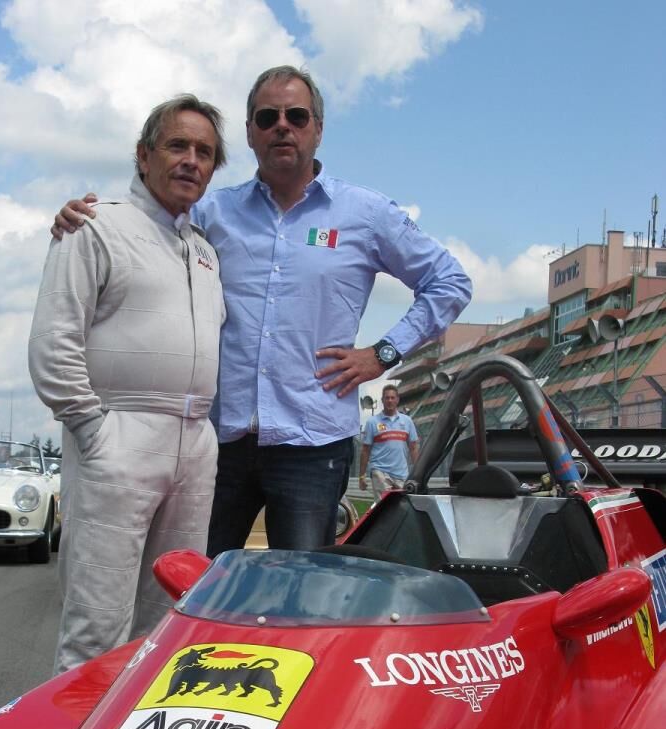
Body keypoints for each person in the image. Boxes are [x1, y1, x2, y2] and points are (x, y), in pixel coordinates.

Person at [52, 65, 472, 554]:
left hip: (312, 445)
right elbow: (145, 225)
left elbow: (449, 282)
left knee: (298, 597)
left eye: (296, 115)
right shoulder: (213, 212)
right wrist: (89, 218)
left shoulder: (366, 214)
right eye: (266, 117)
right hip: (218, 442)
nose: (282, 126)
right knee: (195, 585)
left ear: (318, 128)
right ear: (250, 133)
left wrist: (382, 353)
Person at [29, 95, 226, 675]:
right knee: (98, 620)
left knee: (172, 616)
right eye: (177, 146)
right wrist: (92, 430)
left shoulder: (204, 252)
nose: (191, 160)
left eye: (206, 153)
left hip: (195, 438)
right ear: (143, 156)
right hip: (120, 430)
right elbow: (54, 338)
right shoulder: (95, 225)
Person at [359, 384, 419, 496]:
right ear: (382, 400)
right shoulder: (372, 422)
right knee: (383, 506)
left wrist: (418, 473)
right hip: (380, 471)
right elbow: (365, 450)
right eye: (387, 398)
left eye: (392, 398)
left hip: (402, 474)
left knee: (402, 507)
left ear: (397, 400)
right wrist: (362, 475)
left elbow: (414, 447)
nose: (390, 401)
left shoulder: (407, 421)